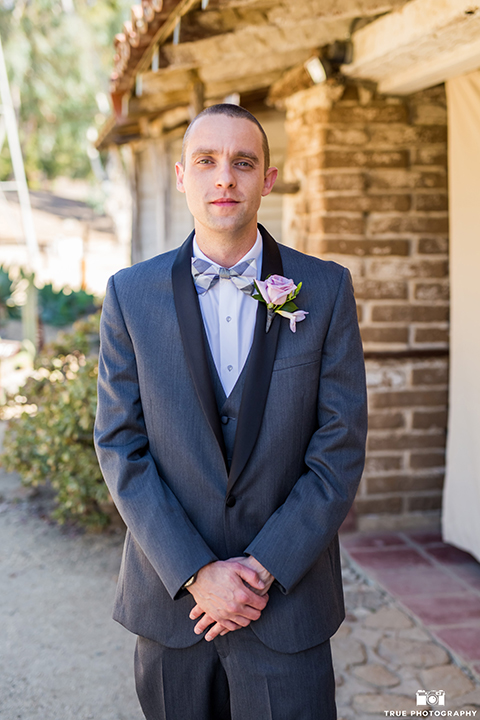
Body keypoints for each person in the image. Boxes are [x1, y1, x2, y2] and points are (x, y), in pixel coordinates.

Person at [94, 103, 367, 720]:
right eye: (207, 162)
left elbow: (341, 443)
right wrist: (196, 572)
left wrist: (265, 565)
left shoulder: (323, 290)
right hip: (173, 610)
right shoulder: (130, 295)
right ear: (180, 174)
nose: (225, 179)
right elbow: (119, 444)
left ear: (267, 178)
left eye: (243, 163)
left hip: (289, 607)